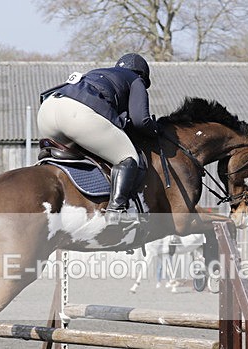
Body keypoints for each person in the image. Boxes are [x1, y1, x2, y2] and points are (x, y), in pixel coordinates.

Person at [37, 53, 158, 225]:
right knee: (127, 157)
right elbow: (141, 120)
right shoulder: (135, 80)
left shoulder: (98, 73)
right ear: (142, 75)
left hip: (46, 110)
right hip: (75, 113)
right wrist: (156, 130)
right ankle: (117, 211)